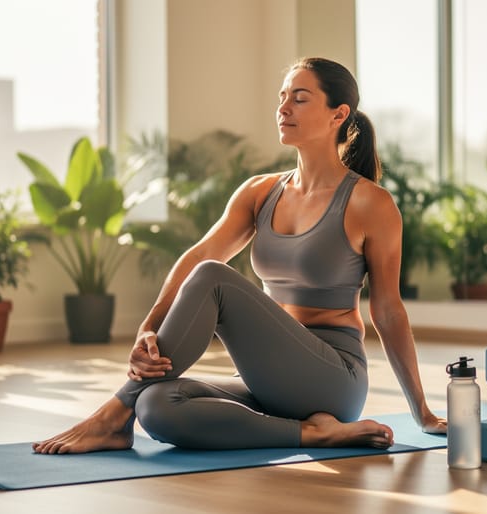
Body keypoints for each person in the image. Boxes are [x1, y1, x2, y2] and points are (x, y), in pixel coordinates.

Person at [32, 57, 447, 454]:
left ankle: (110, 416)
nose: (284, 107)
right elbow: (199, 254)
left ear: (339, 115)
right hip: (265, 379)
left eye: (300, 98)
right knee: (156, 405)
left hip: (332, 379)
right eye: (282, 97)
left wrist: (422, 412)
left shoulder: (369, 203)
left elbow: (389, 310)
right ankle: (311, 434)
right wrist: (147, 328)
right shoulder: (260, 192)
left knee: (214, 278)